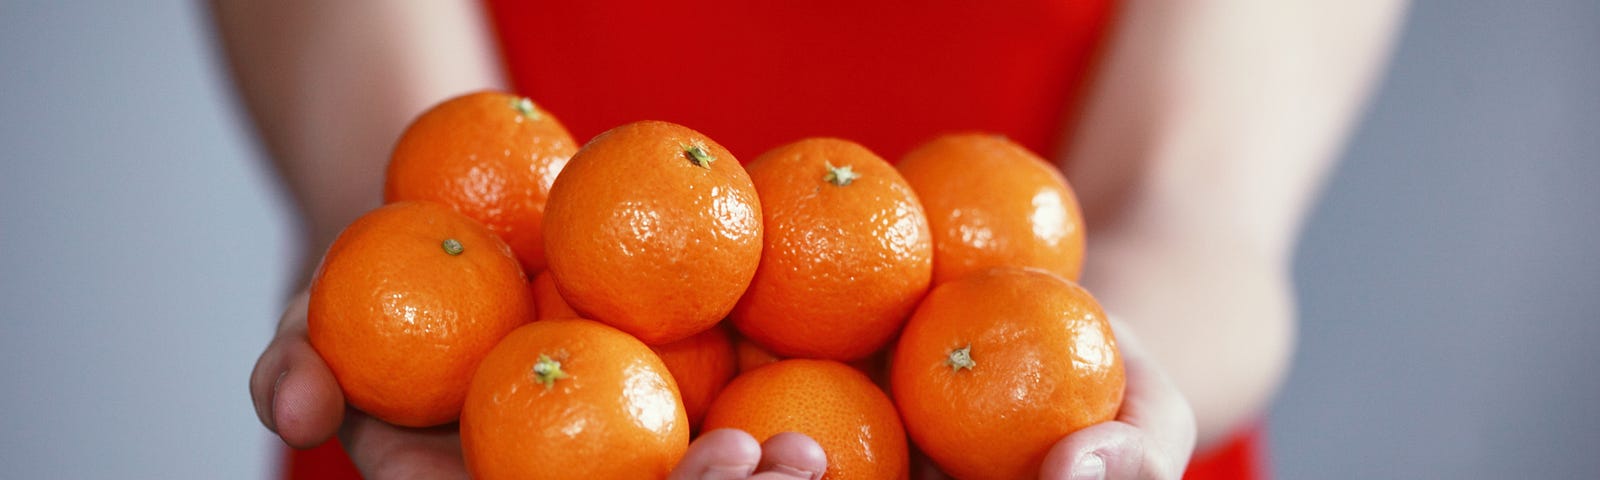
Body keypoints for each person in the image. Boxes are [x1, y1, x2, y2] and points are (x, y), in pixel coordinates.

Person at [213, 1, 1404, 478]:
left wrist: (1089, 368)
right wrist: (435, 330)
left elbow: (1192, 210)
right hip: (496, 425)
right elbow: (426, 197)